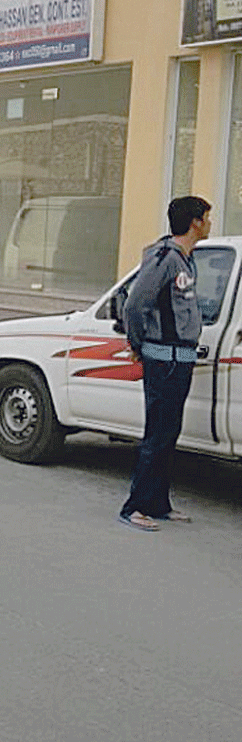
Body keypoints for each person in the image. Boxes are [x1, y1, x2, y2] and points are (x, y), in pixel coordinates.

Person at [119, 194, 212, 531]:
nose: (210, 223)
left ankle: (158, 503)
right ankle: (134, 507)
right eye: (207, 217)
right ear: (195, 222)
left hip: (181, 359)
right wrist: (138, 344)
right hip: (164, 359)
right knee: (156, 435)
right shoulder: (164, 258)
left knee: (169, 433)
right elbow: (135, 305)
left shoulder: (186, 259)